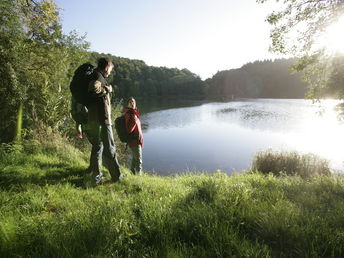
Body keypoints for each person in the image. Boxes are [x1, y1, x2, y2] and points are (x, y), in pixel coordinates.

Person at [87, 57, 122, 183]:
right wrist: (108, 88)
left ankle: (95, 173)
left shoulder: (95, 75)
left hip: (94, 119)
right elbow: (93, 88)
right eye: (111, 69)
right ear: (107, 67)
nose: (110, 72)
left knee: (97, 146)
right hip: (102, 119)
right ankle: (117, 176)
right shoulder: (98, 76)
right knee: (110, 148)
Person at [124, 97, 144, 175]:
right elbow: (129, 129)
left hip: (136, 140)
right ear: (127, 104)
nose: (132, 103)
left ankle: (132, 174)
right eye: (130, 102)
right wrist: (134, 120)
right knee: (139, 160)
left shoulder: (134, 113)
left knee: (134, 159)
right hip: (134, 141)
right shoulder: (129, 114)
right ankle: (139, 177)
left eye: (133, 102)